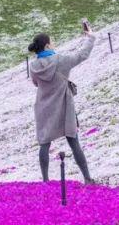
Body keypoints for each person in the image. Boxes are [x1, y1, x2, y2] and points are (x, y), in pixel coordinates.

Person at [27, 23, 96, 183]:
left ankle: (45, 181)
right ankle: (87, 178)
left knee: (44, 143)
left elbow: (37, 83)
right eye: (52, 41)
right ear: (47, 45)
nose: (54, 43)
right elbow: (82, 55)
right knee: (73, 140)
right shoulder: (60, 60)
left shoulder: (34, 66)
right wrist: (90, 37)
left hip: (43, 107)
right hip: (64, 106)